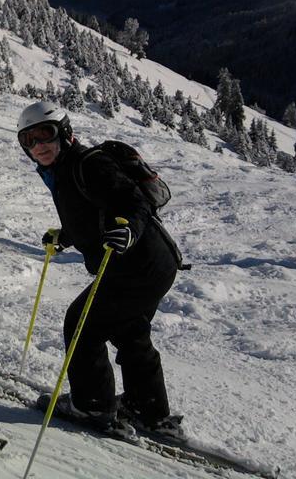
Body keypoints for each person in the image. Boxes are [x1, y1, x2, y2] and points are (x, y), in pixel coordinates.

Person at [16, 101, 180, 434]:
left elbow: (135, 202)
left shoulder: (90, 164)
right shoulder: (62, 171)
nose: (39, 146)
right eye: (29, 140)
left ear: (64, 132)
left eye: (45, 135)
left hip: (137, 264)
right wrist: (65, 238)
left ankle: (92, 407)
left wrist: (129, 229)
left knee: (82, 324)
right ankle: (148, 411)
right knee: (129, 332)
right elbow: (91, 215)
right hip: (151, 264)